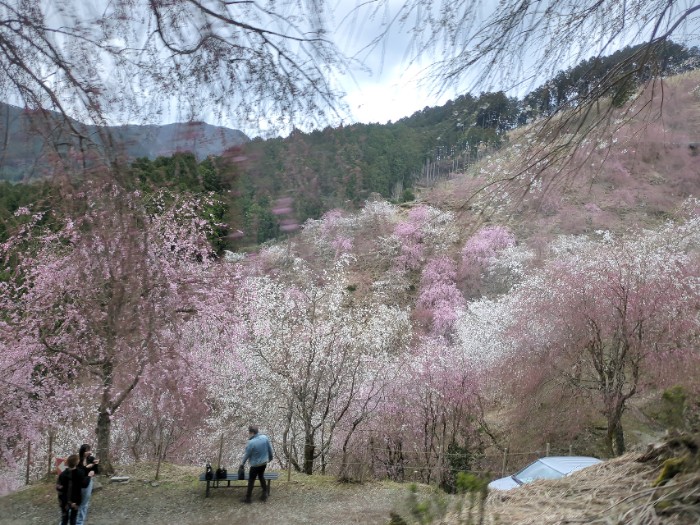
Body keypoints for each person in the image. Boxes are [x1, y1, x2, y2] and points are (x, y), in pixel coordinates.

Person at [239, 425, 273, 503]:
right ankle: (265, 494)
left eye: (249, 432)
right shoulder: (265, 438)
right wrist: (270, 458)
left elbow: (247, 454)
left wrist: (242, 464)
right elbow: (269, 449)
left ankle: (248, 498)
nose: (248, 433)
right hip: (264, 463)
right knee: (261, 477)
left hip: (255, 465)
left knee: (251, 480)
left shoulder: (251, 442)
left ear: (252, 432)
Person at [57, 454, 92, 525]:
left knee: (64, 518)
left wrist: (61, 499)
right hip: (75, 501)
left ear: (67, 463)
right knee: (73, 518)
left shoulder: (62, 474)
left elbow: (58, 488)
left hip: (64, 501)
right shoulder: (80, 473)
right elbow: (84, 484)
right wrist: (89, 476)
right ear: (77, 463)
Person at [76, 444, 99, 525]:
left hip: (88, 482)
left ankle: (80, 522)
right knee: (77, 502)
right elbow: (77, 472)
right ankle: (72, 520)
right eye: (86, 451)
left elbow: (96, 471)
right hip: (79, 483)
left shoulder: (91, 459)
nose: (88, 452)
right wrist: (86, 468)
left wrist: (96, 465)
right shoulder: (78, 460)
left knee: (84, 503)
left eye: (89, 450)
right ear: (82, 451)